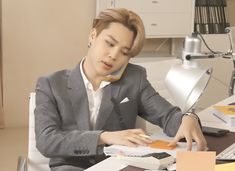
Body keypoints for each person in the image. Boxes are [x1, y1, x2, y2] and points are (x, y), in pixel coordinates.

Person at [35, 8, 207, 171]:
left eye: (124, 52)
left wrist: (188, 118)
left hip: (119, 166)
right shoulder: (51, 84)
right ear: (93, 35)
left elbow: (168, 116)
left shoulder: (134, 79)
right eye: (109, 43)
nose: (113, 55)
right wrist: (104, 136)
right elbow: (47, 141)